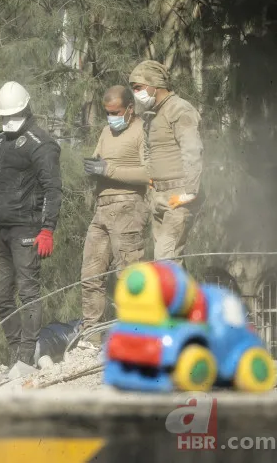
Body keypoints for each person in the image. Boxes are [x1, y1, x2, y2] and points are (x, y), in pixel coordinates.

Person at [0, 81, 63, 366]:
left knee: (28, 292)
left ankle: (27, 355)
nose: (8, 122)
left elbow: (53, 189)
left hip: (27, 229)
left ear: (26, 109)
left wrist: (47, 229)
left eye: (13, 115)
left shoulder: (42, 144)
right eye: (4, 117)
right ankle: (16, 348)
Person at [79, 85, 149, 346]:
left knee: (129, 276)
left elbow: (149, 173)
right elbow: (99, 161)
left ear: (130, 108)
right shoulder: (106, 132)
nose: (111, 118)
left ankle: (135, 336)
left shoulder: (142, 130)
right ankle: (91, 336)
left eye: (116, 112)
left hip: (129, 207)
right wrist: (93, 168)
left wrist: (108, 170)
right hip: (102, 208)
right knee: (90, 276)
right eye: (107, 113)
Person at [129, 60, 203, 263]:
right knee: (169, 262)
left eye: (138, 87)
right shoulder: (152, 115)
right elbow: (148, 151)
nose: (135, 93)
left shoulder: (180, 109)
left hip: (179, 196)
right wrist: (150, 182)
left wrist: (189, 193)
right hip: (158, 196)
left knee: (165, 261)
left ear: (155, 84)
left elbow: (193, 150)